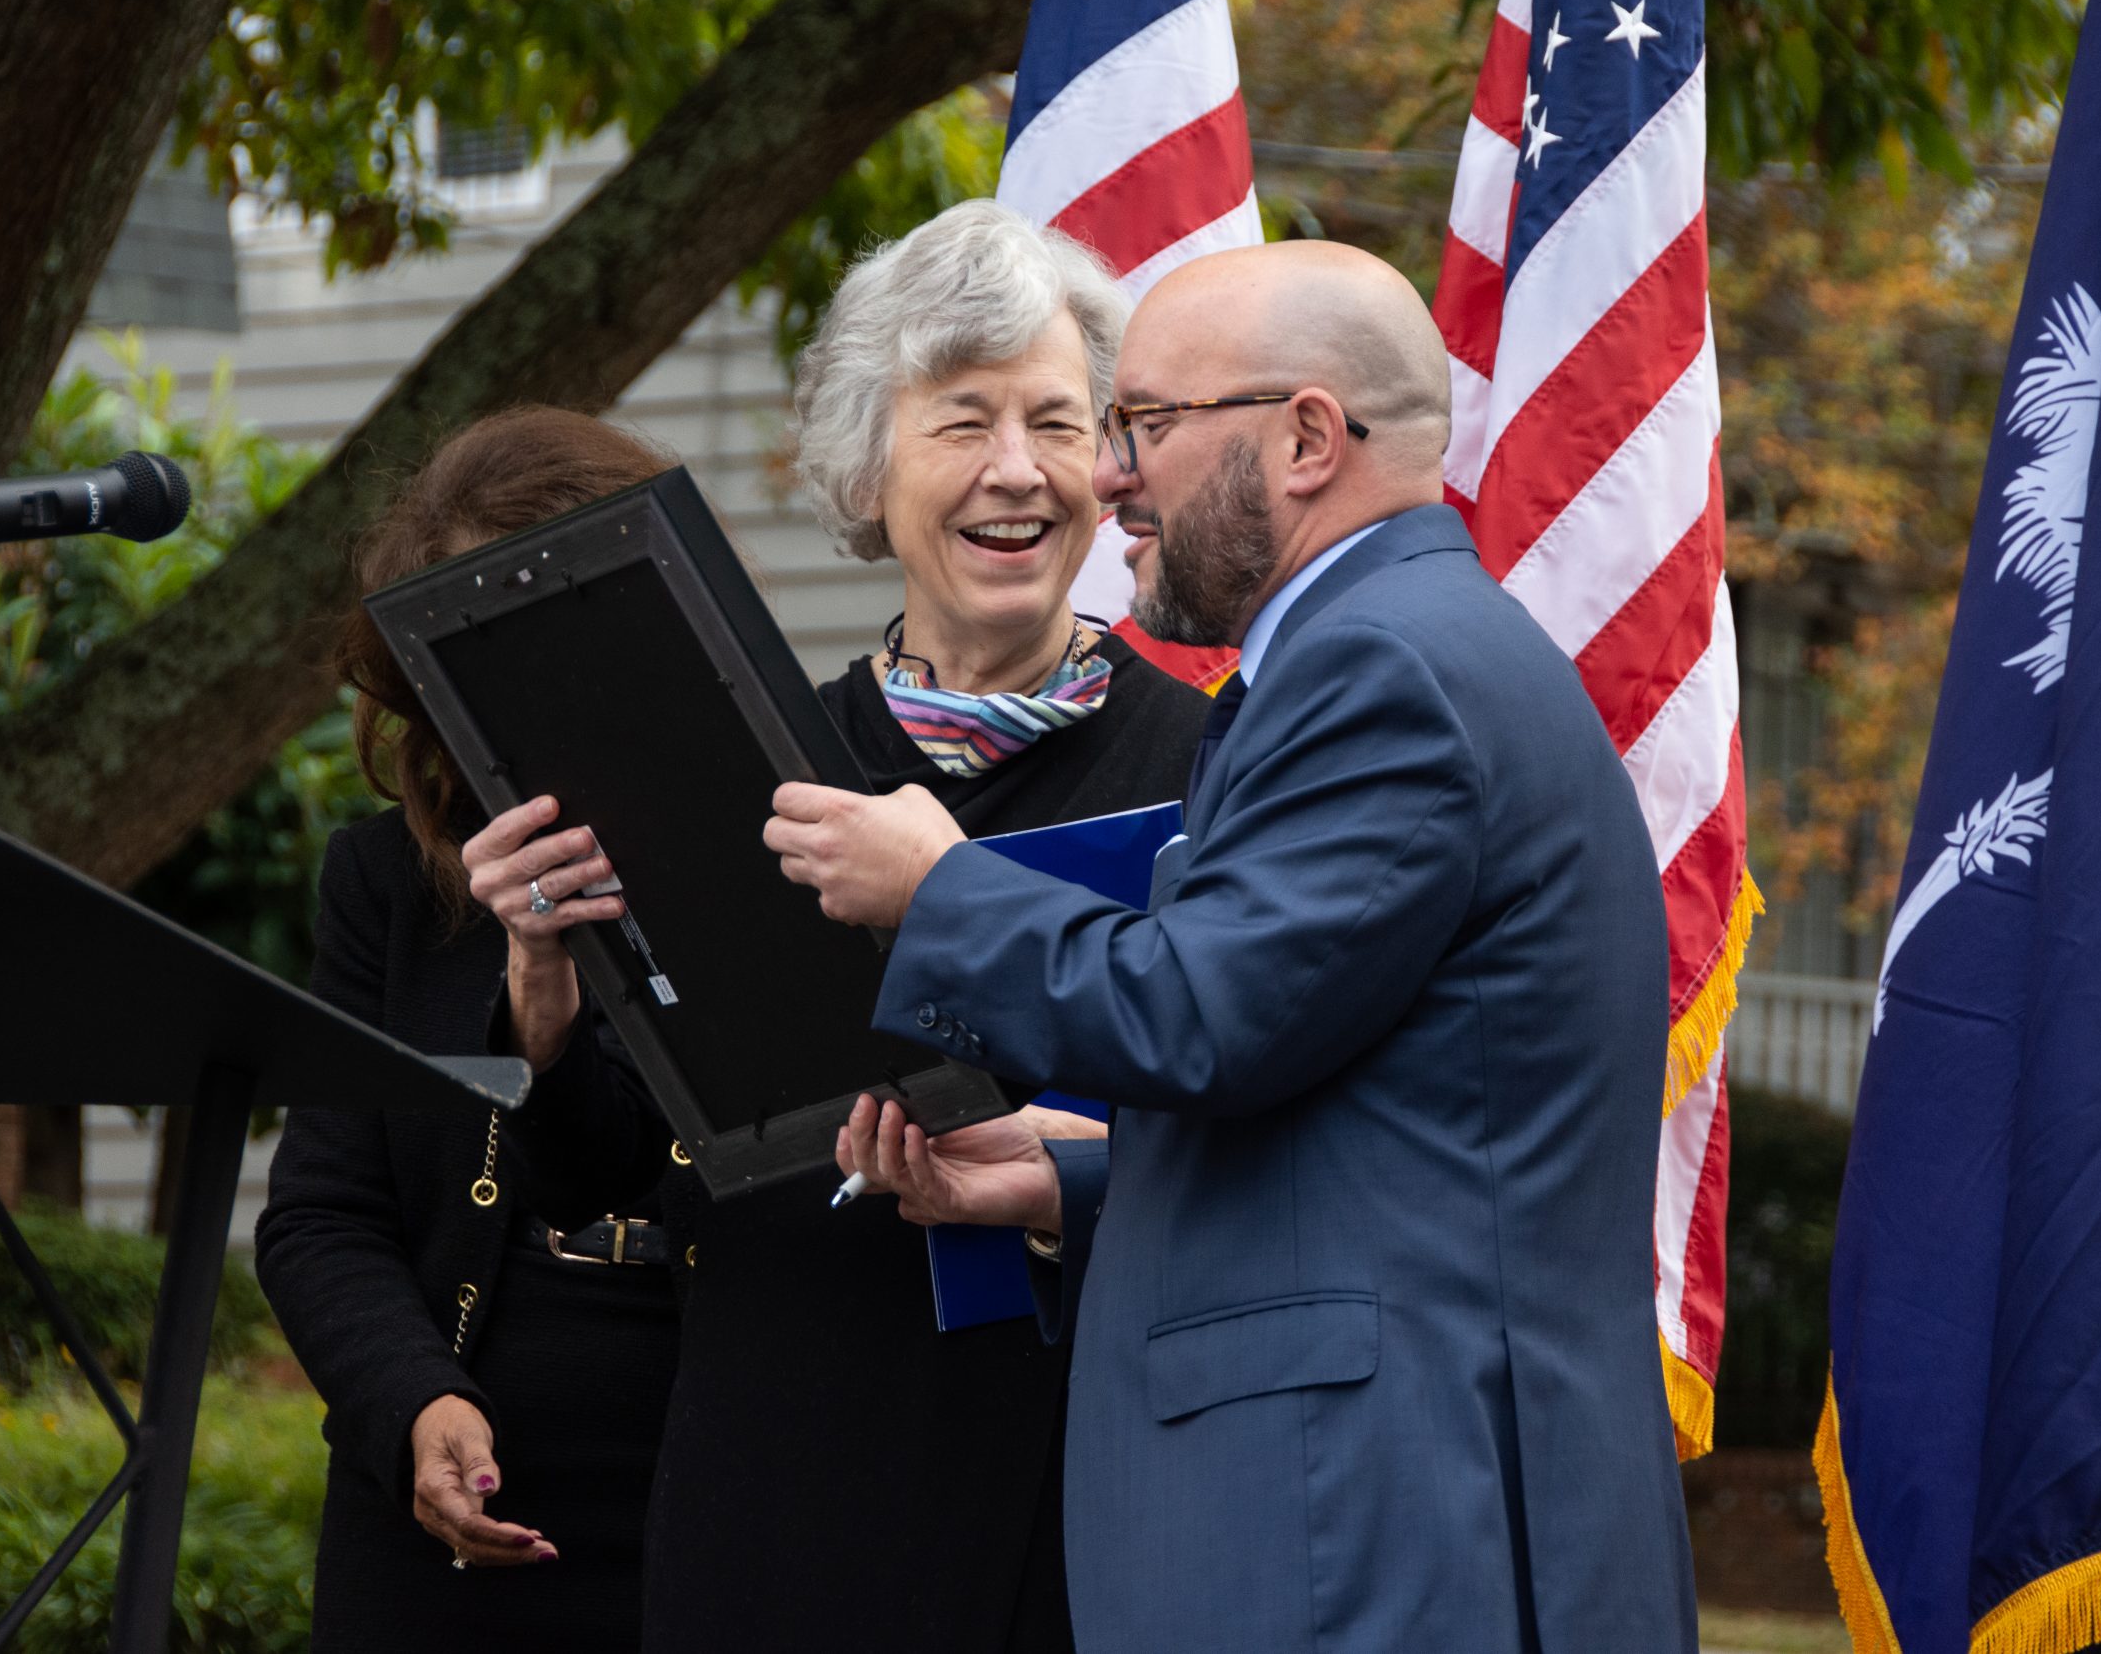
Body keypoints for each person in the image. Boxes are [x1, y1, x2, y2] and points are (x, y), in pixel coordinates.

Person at [767, 239, 1702, 1653]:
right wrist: (1068, 1177)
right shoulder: (1386, 649)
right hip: (1375, 1516)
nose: (1110, 476)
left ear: (1308, 437)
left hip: (1371, 1530)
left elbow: (1204, 1012)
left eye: (1143, 423)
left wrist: (941, 886)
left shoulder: (1382, 666)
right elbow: (1371, 1118)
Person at [465, 199, 1209, 1653]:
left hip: (1092, 1494)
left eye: (1059, 422)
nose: (1017, 471)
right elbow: (600, 1162)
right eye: (961, 421)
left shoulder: (1215, 766)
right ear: (868, 471)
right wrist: (543, 979)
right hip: (790, 1488)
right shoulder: (751, 765)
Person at [255, 409, 686, 1652]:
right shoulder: (384, 884)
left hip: (713, 1486)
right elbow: (321, 1212)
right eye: (480, 651)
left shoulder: (792, 848)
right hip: (447, 1526)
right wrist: (413, 1404)